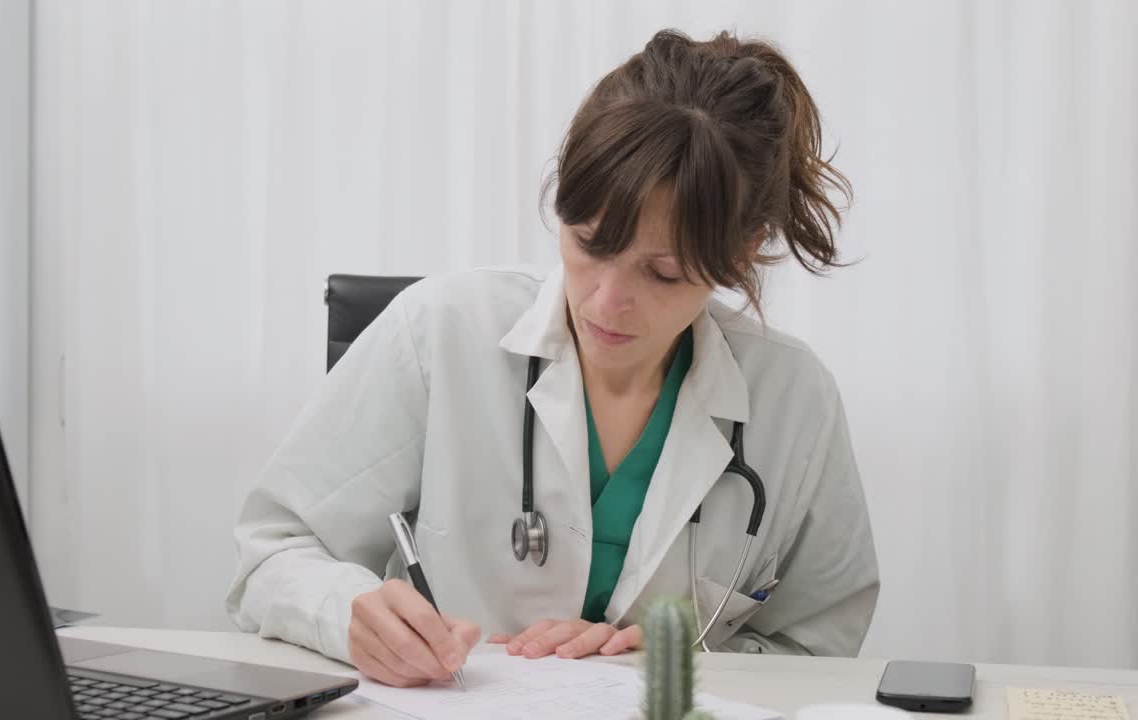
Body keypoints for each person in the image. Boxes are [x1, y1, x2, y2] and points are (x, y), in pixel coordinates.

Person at [226, 28, 879, 688]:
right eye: (591, 243)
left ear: (737, 259)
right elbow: (272, 549)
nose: (607, 300)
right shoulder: (442, 332)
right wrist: (348, 613)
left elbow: (818, 649)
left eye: (663, 273)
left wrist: (664, 665)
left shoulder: (794, 401)